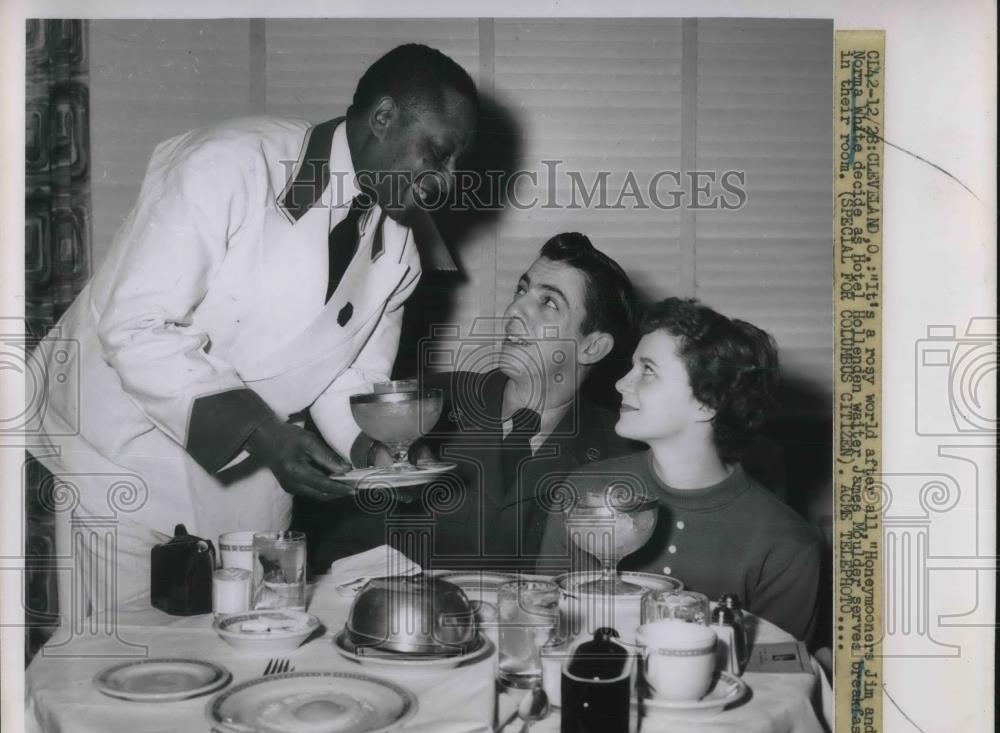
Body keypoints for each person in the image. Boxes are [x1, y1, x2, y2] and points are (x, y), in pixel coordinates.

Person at [28, 43, 478, 617]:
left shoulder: (401, 256)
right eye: (438, 154)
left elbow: (351, 377)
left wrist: (375, 452)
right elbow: (135, 324)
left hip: (255, 482)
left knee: (256, 658)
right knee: (121, 670)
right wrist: (264, 434)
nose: (448, 180)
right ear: (384, 118)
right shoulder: (229, 164)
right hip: (124, 459)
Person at [299, 232, 642, 572]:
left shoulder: (619, 456)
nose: (514, 310)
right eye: (521, 290)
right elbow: (341, 549)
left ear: (592, 347)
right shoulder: (422, 407)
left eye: (549, 302)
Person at [535, 297, 823, 641]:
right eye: (632, 367)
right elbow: (545, 627)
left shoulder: (786, 544)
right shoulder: (585, 491)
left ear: (706, 403)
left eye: (648, 371)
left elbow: (777, 683)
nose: (620, 384)